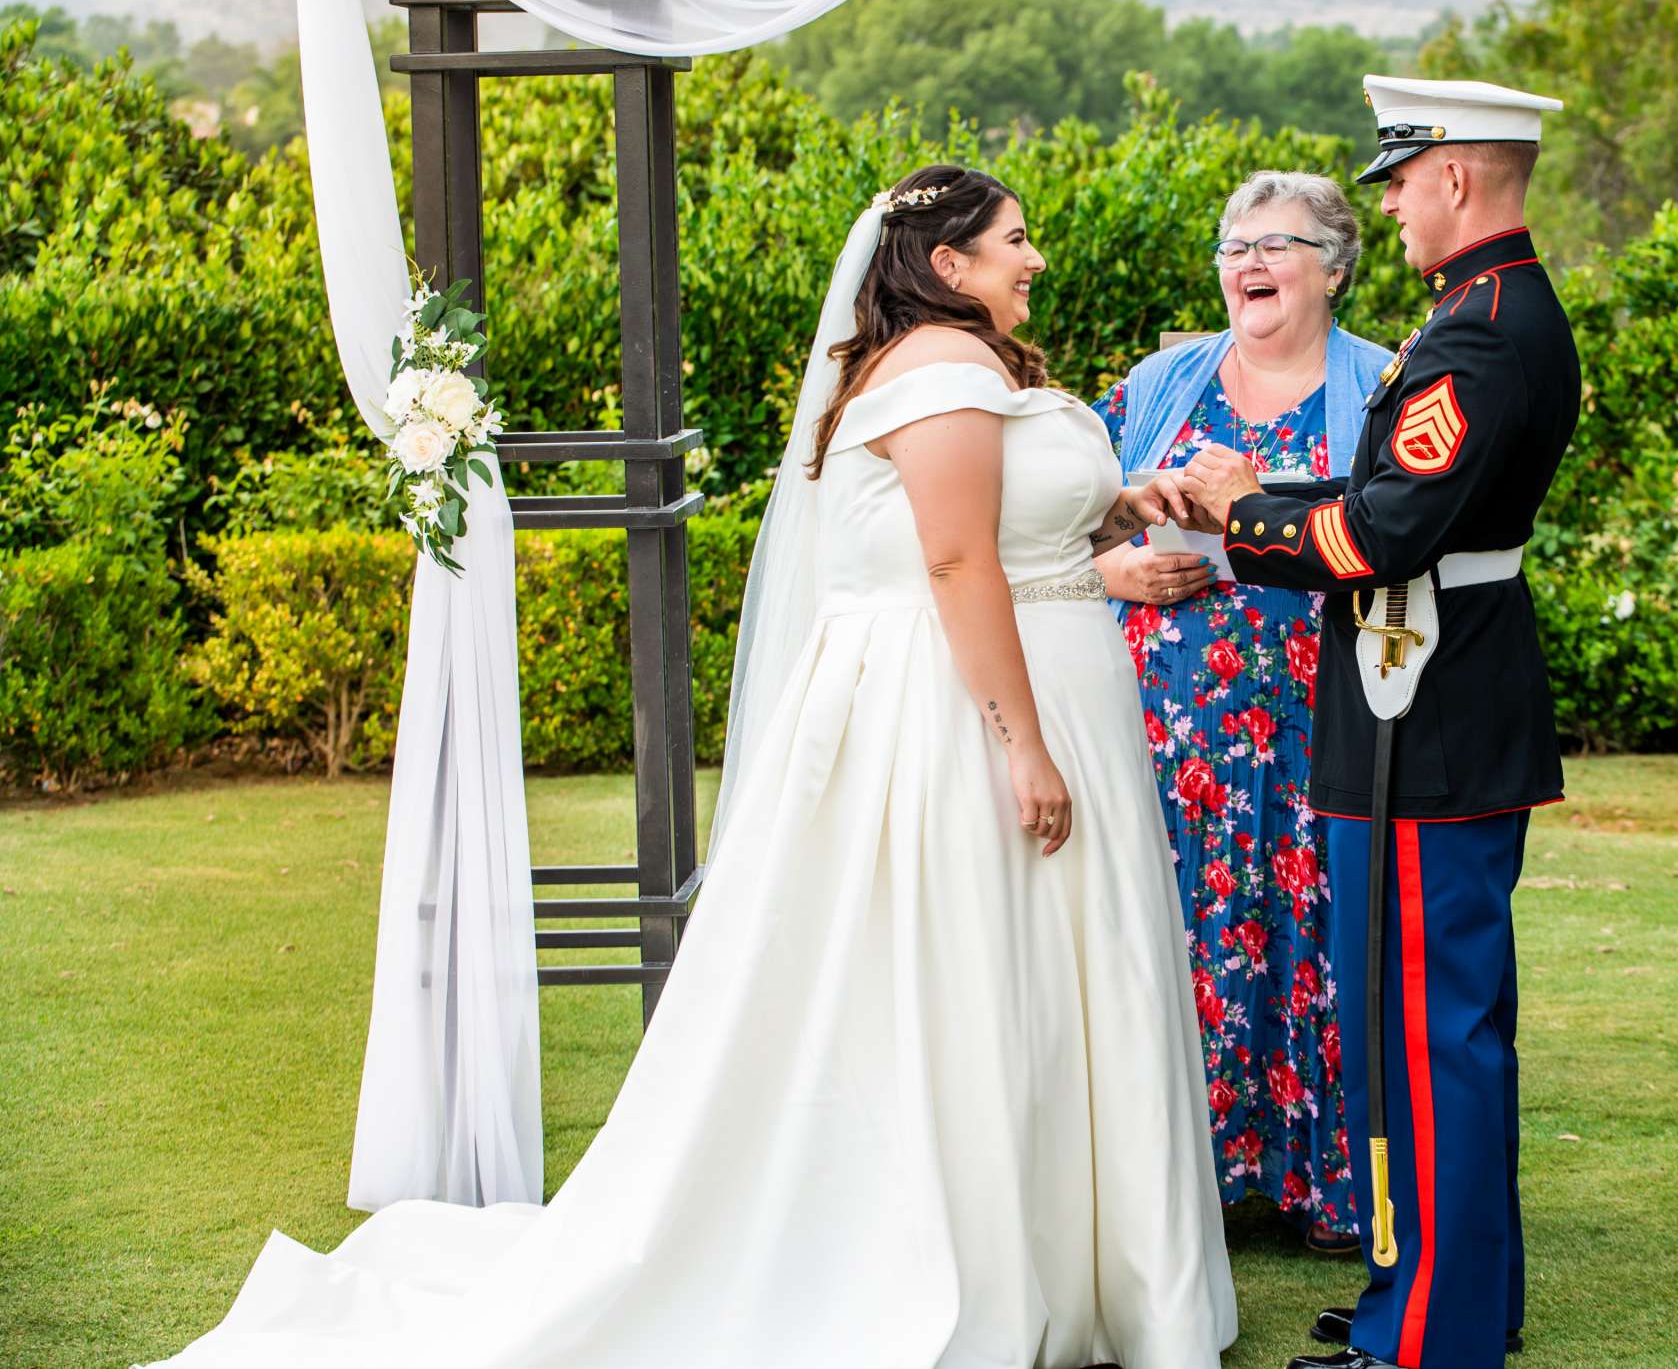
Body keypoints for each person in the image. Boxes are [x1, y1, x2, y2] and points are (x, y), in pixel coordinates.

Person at [142, 166, 1239, 1369]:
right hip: (959, 723)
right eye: (1013, 241)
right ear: (946, 265)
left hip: (1016, 692)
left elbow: (1005, 535)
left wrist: (1117, 513)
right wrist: (1021, 747)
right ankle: (983, 1268)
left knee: (1037, 978)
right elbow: (953, 565)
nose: (1034, 259)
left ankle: (1064, 1261)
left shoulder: (965, 366)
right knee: (981, 980)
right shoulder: (940, 369)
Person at [1166, 79, 1579, 1369]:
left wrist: (1241, 508)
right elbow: (1384, 497)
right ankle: (1452, 1302)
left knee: (1422, 1036)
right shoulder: (1483, 315)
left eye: (1403, 175)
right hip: (1431, 707)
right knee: (1434, 1030)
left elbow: (1382, 530)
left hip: (1427, 720)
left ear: (1457, 176)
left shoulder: (1479, 335)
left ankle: (1429, 1335)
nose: (1389, 197)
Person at [1091, 170, 1389, 1252]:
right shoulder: (1159, 382)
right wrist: (1117, 571)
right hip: (1173, 718)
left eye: (1279, 243)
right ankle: (1192, 1186)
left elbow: (1405, 537)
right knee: (1178, 930)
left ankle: (1329, 1190)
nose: (1249, 262)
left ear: (1337, 267)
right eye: (1234, 244)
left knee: (1323, 925)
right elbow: (1059, 523)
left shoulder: (1384, 384)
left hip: (1329, 710)